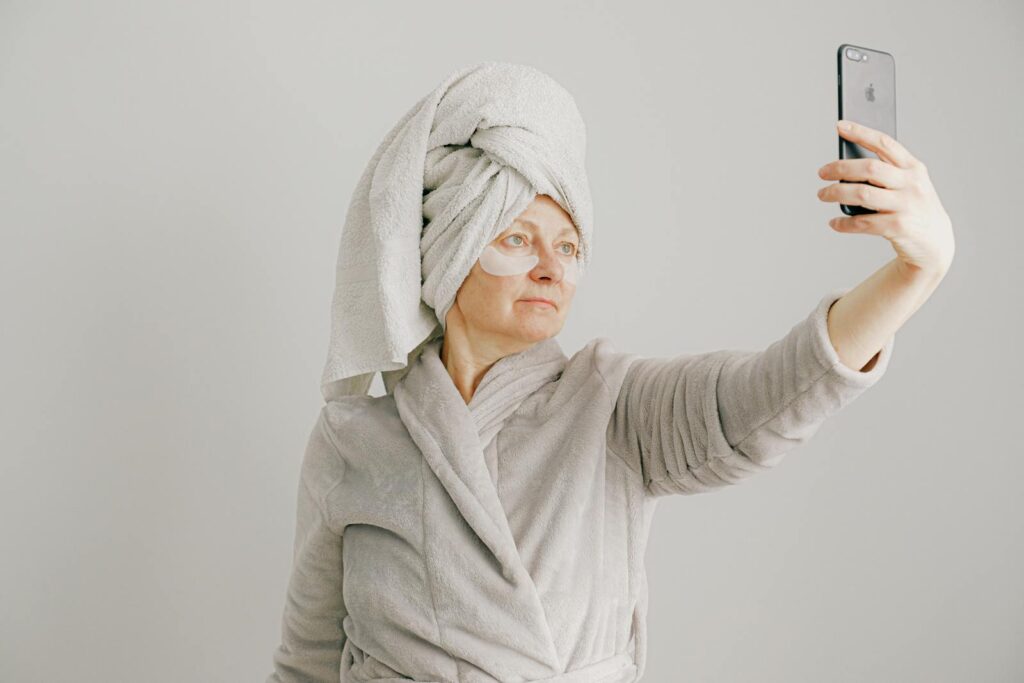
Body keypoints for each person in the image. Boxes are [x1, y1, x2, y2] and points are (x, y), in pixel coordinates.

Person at [266, 61, 952, 683]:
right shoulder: (353, 438)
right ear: (448, 252)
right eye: (516, 238)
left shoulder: (611, 405)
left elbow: (765, 397)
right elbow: (306, 661)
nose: (551, 267)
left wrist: (913, 275)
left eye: (568, 246)